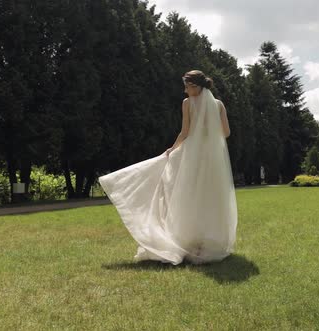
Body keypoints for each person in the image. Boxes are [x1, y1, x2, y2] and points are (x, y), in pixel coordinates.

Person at [98, 70, 238, 265]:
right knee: (208, 197)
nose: (185, 90)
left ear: (197, 86)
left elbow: (185, 132)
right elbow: (226, 132)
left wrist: (172, 149)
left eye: (188, 86)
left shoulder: (187, 104)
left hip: (192, 157)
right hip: (212, 159)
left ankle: (186, 241)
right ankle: (205, 242)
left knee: (185, 194)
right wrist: (208, 134)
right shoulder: (218, 105)